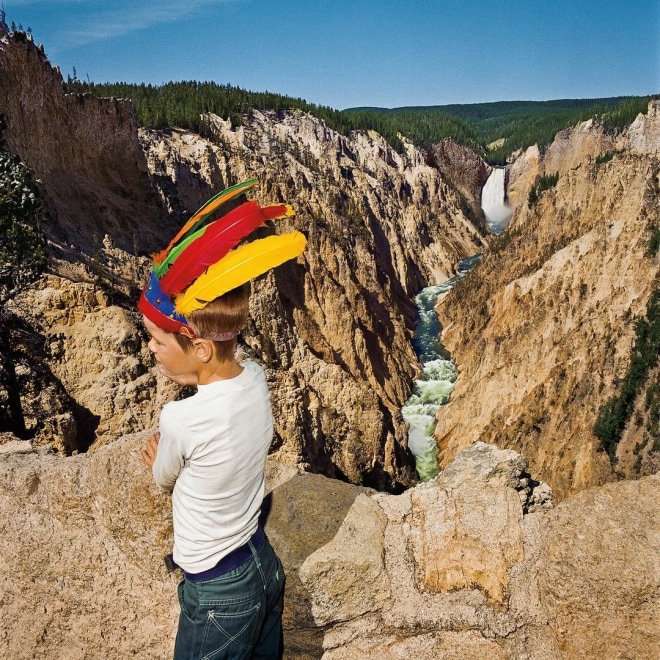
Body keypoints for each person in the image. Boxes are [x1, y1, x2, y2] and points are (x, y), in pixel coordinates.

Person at [137, 180, 306, 659]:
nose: (150, 348)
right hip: (260, 563)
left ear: (201, 348)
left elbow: (164, 475)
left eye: (157, 340)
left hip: (216, 592)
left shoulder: (180, 418)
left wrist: (159, 462)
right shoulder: (254, 378)